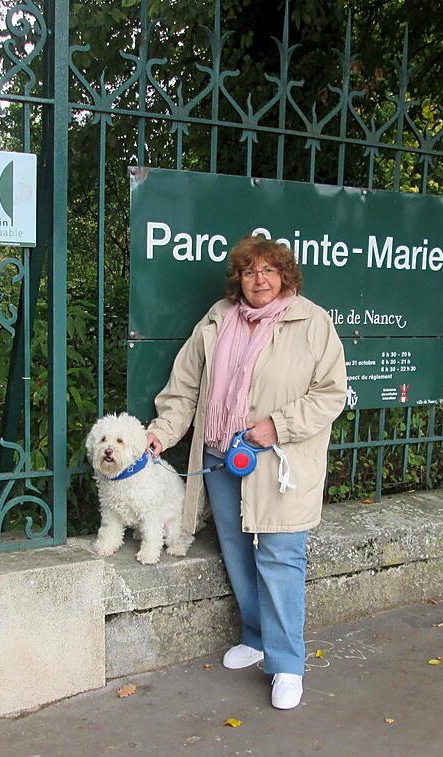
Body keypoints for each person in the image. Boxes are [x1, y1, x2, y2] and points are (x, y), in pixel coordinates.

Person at [145, 235, 347, 710]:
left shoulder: (312, 322)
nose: (260, 279)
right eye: (251, 271)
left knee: (280, 556)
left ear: (285, 277)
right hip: (220, 454)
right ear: (239, 278)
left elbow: (330, 394)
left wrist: (277, 426)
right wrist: (160, 434)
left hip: (279, 461)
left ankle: (287, 664)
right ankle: (255, 637)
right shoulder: (217, 320)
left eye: (270, 271)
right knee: (235, 548)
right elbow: (185, 388)